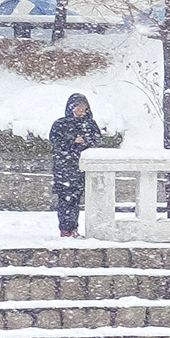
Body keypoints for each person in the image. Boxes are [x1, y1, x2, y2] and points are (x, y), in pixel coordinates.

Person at [49, 93, 102, 238]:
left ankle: (74, 228)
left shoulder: (90, 124)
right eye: (77, 106)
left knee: (76, 199)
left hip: (82, 169)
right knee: (66, 200)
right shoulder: (60, 124)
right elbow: (56, 142)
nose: (81, 109)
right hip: (65, 169)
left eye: (83, 106)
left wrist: (85, 141)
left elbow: (97, 141)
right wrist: (72, 140)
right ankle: (66, 229)